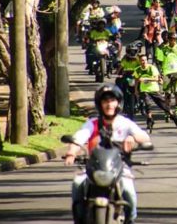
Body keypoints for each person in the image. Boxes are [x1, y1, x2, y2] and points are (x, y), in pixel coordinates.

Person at [64, 85, 151, 224]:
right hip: (93, 168)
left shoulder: (125, 123)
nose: (109, 104)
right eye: (105, 101)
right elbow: (78, 138)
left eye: (112, 100)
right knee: (77, 183)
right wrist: (71, 152)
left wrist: (133, 139)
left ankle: (130, 219)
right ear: (100, 104)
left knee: (128, 189)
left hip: (119, 167)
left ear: (118, 103)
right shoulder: (92, 124)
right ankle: (79, 219)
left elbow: (144, 136)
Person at [134, 54, 177, 130]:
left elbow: (156, 79)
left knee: (164, 106)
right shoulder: (137, 69)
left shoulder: (152, 68)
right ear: (139, 61)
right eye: (142, 60)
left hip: (154, 90)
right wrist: (136, 90)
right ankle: (150, 120)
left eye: (145, 60)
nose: (144, 62)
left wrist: (146, 79)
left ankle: (174, 117)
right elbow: (136, 79)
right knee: (147, 104)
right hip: (144, 90)